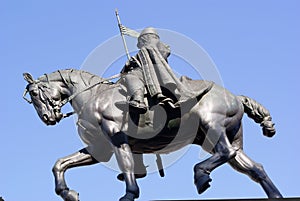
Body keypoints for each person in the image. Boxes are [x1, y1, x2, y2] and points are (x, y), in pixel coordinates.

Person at [117, 27, 202, 113]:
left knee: (131, 77)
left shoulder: (154, 47)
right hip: (142, 70)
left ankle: (138, 101)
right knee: (130, 75)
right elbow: (126, 69)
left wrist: (136, 35)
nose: (141, 42)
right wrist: (130, 63)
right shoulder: (144, 51)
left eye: (142, 39)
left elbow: (163, 51)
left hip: (148, 72)